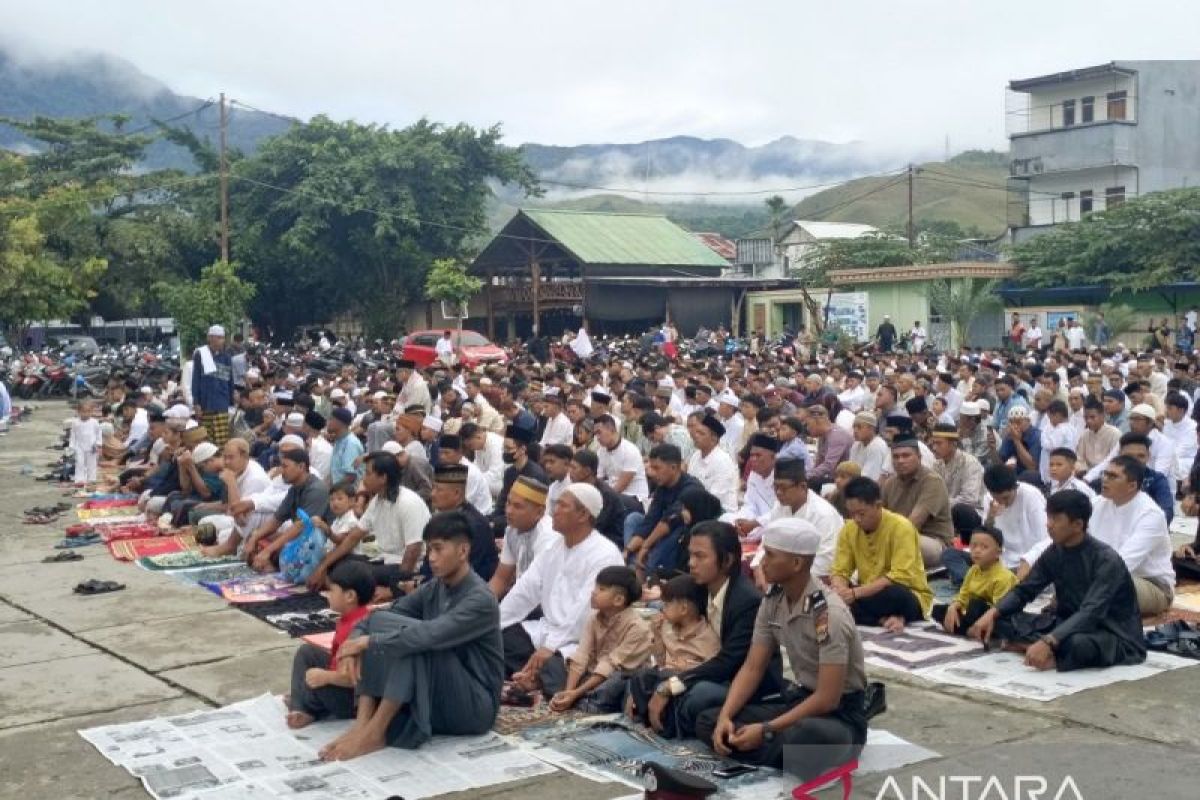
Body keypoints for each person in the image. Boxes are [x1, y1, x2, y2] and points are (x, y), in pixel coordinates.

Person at [320, 511, 504, 759]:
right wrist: (354, 642)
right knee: (385, 623)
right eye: (430, 550)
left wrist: (369, 641)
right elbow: (378, 618)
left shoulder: (480, 600)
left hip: (474, 705)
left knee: (413, 640)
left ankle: (376, 731)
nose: (432, 558)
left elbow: (428, 635)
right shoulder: (435, 587)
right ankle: (363, 724)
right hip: (437, 689)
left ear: (463, 551)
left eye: (439, 549)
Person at [697, 517, 868, 783]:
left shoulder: (828, 614)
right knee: (708, 720)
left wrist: (765, 730)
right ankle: (768, 749)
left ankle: (765, 747)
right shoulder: (773, 600)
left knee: (806, 739)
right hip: (799, 700)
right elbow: (753, 667)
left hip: (839, 715)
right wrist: (725, 717)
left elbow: (827, 699)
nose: (762, 562)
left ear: (797, 563)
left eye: (771, 555)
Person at [627, 521, 782, 739]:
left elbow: (728, 662)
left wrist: (672, 684)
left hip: (741, 684)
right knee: (643, 677)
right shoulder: (700, 588)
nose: (691, 563)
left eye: (700, 556)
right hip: (702, 668)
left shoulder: (747, 601)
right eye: (690, 555)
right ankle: (665, 719)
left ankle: (667, 723)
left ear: (726, 560)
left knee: (696, 695)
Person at [970, 491, 1147, 672]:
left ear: (1077, 524)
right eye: (1048, 518)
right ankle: (1042, 647)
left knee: (1077, 643)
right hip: (1065, 623)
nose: (1048, 525)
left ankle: (1047, 650)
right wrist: (993, 612)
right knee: (990, 615)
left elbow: (1091, 612)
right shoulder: (1055, 551)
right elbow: (1025, 590)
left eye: (1055, 519)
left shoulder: (1106, 559)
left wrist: (1049, 640)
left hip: (1108, 632)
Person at [499, 483, 624, 698]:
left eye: (562, 506)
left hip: (582, 641)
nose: (553, 511)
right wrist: (492, 624)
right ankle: (532, 675)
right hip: (546, 630)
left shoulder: (605, 554)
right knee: (497, 639)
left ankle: (535, 677)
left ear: (583, 514)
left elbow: (585, 611)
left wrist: (551, 647)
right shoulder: (553, 547)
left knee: (555, 667)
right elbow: (524, 590)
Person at [311, 452, 431, 592]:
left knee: (355, 573)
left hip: (401, 565)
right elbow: (353, 537)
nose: (363, 478)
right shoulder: (377, 501)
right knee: (334, 562)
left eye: (368, 474)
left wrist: (396, 589)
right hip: (380, 559)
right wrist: (322, 566)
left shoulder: (408, 502)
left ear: (383, 478)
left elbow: (413, 551)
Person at [830, 477, 932, 632]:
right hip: (866, 594)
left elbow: (899, 577)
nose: (856, 519)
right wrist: (839, 589)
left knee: (895, 595)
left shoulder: (901, 527)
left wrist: (854, 594)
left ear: (878, 505)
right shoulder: (849, 529)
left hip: (903, 593)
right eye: (852, 514)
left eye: (861, 513)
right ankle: (883, 618)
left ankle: (866, 614)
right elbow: (840, 570)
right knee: (823, 595)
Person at [549, 566, 652, 713]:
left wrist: (575, 693)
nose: (594, 592)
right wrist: (569, 691)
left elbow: (611, 665)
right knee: (553, 663)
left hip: (614, 676)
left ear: (618, 600)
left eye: (601, 589)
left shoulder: (638, 628)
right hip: (592, 674)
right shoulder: (593, 619)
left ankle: (585, 700)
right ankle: (577, 698)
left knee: (618, 682)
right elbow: (582, 655)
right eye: (596, 587)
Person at [286, 560, 374, 729]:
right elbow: (334, 658)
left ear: (350, 596)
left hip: (351, 697)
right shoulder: (346, 619)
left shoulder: (361, 627)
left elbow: (355, 679)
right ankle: (300, 706)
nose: (327, 595)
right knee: (306, 652)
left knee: (314, 683)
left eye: (331, 590)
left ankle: (306, 703)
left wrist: (325, 677)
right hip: (337, 675)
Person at [1090, 456, 1175, 615]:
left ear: (1132, 485)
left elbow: (1122, 564)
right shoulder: (1097, 504)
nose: (1104, 480)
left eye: (1113, 476)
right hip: (1104, 576)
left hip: (1150, 584)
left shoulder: (1151, 514)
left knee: (1107, 590)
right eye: (1105, 474)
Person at [880, 439, 954, 569]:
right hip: (897, 536)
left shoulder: (932, 481)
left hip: (933, 542)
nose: (900, 461)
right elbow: (879, 517)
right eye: (896, 457)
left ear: (919, 458)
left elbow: (912, 524)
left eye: (906, 455)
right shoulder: (890, 483)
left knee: (903, 542)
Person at [932, 525, 1016, 637]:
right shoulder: (973, 570)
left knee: (975, 605)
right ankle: (968, 629)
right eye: (973, 546)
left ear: (998, 553)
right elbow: (963, 595)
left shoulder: (1003, 577)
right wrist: (953, 606)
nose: (977, 551)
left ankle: (969, 629)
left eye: (984, 547)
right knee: (938, 610)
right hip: (971, 613)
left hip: (993, 616)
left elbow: (1000, 610)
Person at [489, 476, 553, 600]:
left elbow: (539, 591)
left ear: (539, 512)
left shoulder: (547, 537)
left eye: (517, 506)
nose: (508, 511)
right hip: (522, 600)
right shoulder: (512, 530)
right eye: (508, 503)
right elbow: (501, 579)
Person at [191, 324, 235, 446]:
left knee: (222, 439)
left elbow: (229, 380)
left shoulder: (226, 357)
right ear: (210, 338)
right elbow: (196, 379)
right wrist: (196, 403)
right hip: (205, 404)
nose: (221, 341)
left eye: (222, 338)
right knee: (206, 438)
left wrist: (231, 401)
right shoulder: (200, 354)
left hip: (222, 403)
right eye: (218, 337)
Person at [685, 414, 739, 512]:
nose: (695, 436)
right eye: (696, 432)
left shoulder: (722, 461)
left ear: (713, 438)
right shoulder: (696, 456)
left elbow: (714, 499)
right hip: (696, 507)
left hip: (719, 512)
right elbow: (688, 485)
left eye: (701, 433)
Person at [70, 400, 102, 486]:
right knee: (80, 462)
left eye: (88, 411)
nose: (86, 414)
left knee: (91, 463)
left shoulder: (94, 422)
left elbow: (98, 433)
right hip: (79, 446)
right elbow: (73, 434)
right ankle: (79, 479)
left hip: (92, 446)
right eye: (83, 412)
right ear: (79, 412)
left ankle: (92, 478)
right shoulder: (75, 422)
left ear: (92, 411)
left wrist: (98, 443)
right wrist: (72, 446)